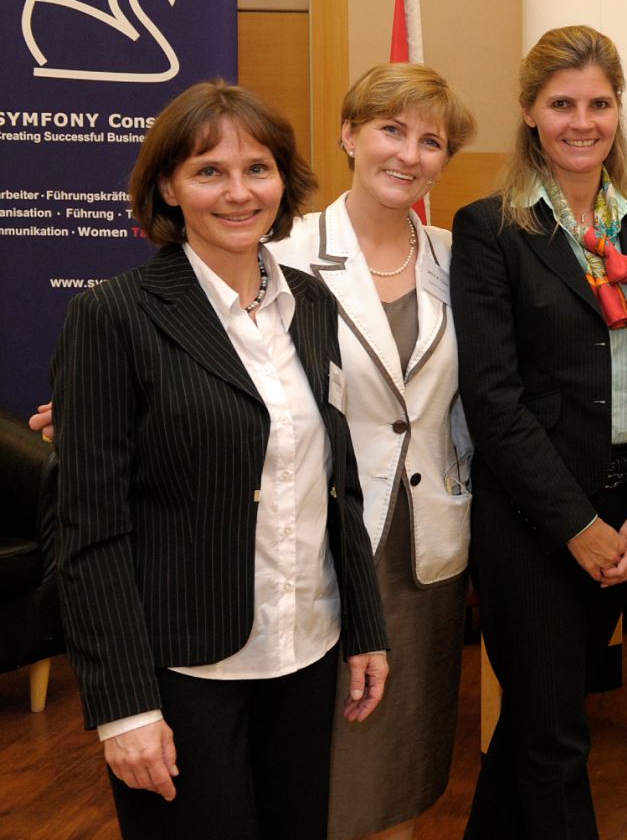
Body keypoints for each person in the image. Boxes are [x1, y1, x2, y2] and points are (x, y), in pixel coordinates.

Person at [51, 81, 388, 839]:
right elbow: (88, 534)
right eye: (209, 171)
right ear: (169, 187)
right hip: (183, 672)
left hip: (305, 651)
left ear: (283, 180)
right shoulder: (113, 316)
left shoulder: (311, 304)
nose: (239, 193)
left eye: (257, 169)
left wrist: (364, 625)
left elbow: (335, 481)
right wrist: (125, 709)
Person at [450, 24, 627, 839]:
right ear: (529, 113)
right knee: (555, 740)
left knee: (535, 725)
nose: (583, 122)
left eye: (599, 104)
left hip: (623, 511)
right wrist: (575, 524)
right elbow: (493, 399)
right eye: (562, 104)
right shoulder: (491, 229)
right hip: (531, 521)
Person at [280, 62, 476, 840]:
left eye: (432, 141)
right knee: (325, 761)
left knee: (404, 764)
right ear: (349, 134)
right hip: (321, 543)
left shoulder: (460, 258)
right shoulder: (284, 251)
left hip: (423, 549)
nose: (409, 154)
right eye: (391, 129)